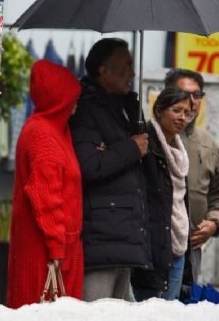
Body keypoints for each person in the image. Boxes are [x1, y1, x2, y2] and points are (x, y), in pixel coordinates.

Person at [69, 38, 152, 301]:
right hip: (102, 234)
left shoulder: (125, 107)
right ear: (104, 71)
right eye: (126, 66)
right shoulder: (86, 108)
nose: (133, 73)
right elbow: (89, 165)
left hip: (125, 231)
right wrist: (129, 148)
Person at [6, 60, 83, 309]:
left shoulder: (56, 129)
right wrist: (56, 248)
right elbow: (45, 196)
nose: (76, 103)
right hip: (46, 251)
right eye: (72, 97)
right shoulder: (43, 134)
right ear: (59, 98)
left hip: (60, 246)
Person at [164, 68, 219, 282]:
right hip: (156, 245)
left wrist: (214, 222)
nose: (191, 101)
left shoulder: (208, 144)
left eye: (197, 95)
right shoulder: (152, 135)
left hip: (191, 247)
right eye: (184, 94)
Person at [132, 87, 195, 301]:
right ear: (159, 110)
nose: (183, 117)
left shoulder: (180, 152)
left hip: (178, 245)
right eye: (177, 110)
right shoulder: (144, 145)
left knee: (170, 312)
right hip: (151, 247)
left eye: (188, 113)